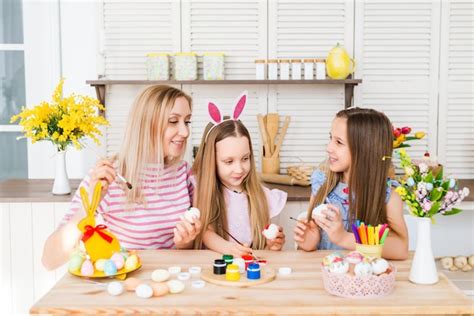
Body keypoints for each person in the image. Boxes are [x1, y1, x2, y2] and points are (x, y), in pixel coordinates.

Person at [42, 85, 202, 270]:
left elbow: (187, 250)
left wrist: (184, 243)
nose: (185, 132)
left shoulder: (184, 173)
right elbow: (49, 259)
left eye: (187, 122)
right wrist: (90, 205)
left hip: (171, 281)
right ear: (145, 124)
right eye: (173, 121)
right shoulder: (109, 176)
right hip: (125, 285)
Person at [294, 107, 408, 259]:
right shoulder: (322, 183)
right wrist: (308, 243)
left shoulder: (387, 197)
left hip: (365, 279)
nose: (329, 148)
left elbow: (401, 249)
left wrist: (344, 238)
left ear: (365, 150)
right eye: (331, 138)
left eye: (339, 142)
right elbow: (310, 247)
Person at [192, 92, 287, 256]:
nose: (239, 169)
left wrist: (272, 245)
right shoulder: (201, 189)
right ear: (211, 160)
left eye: (245, 158)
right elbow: (205, 232)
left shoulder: (260, 196)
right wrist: (229, 249)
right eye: (229, 162)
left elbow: (261, 248)